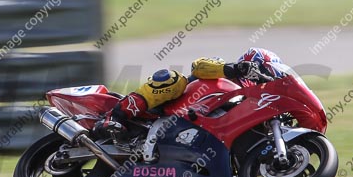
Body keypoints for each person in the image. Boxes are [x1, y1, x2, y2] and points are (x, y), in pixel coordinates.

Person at [99, 48, 285, 130]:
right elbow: (198, 66)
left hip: (202, 132)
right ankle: (115, 117)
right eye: (266, 71)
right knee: (172, 79)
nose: (267, 77)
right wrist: (233, 69)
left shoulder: (256, 99)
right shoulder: (224, 70)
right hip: (169, 111)